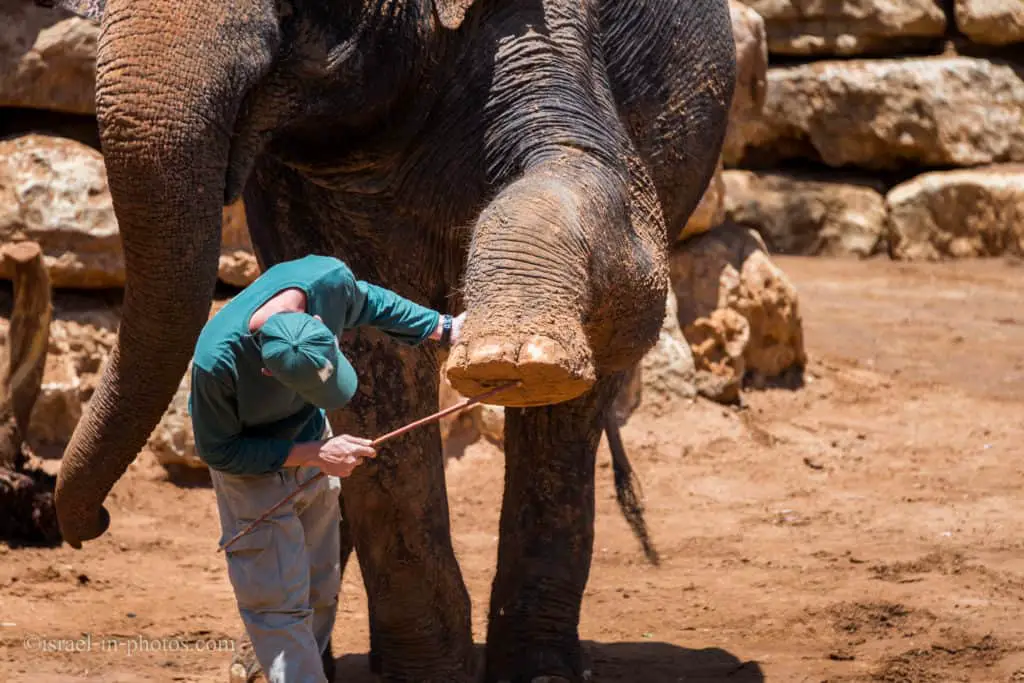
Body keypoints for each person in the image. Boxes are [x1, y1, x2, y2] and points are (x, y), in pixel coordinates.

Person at [188, 254, 463, 683]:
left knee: (320, 588)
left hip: (313, 438)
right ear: (267, 369)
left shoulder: (326, 282)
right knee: (278, 605)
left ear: (319, 322)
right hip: (251, 471)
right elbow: (221, 452)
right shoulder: (216, 364)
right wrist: (315, 454)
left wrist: (443, 327)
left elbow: (370, 301)